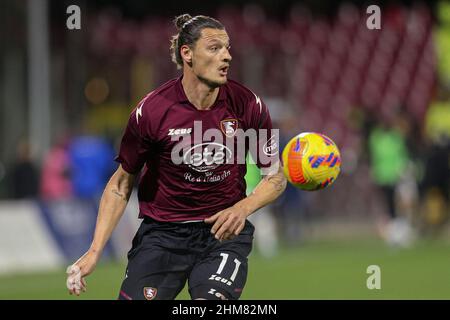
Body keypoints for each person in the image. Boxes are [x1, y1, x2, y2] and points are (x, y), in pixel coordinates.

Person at [66, 14, 286, 300]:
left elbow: (276, 177)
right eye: (214, 48)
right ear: (187, 53)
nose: (227, 57)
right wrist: (95, 250)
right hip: (162, 238)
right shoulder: (152, 112)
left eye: (228, 48)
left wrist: (243, 208)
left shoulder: (248, 105)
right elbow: (121, 184)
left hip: (222, 236)